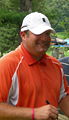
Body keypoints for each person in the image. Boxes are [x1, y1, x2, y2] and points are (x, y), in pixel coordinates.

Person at [0, 12, 69, 120]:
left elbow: (63, 97)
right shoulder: (7, 65)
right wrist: (33, 113)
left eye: (47, 34)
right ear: (23, 35)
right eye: (38, 33)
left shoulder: (56, 66)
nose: (44, 38)